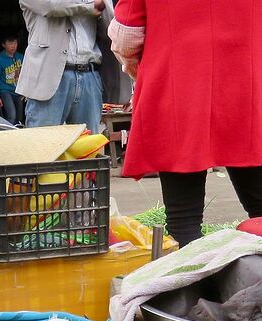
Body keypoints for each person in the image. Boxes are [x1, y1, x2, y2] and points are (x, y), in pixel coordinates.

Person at [109, 0, 262, 247]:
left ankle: (192, 283)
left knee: (184, 221)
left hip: (179, 83)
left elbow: (127, 35)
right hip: (249, 83)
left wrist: (136, 66)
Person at [17, 0, 113, 132]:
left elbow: (112, 20)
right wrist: (90, 5)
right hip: (47, 77)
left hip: (90, 74)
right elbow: (51, 5)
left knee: (88, 148)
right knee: (44, 147)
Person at [0, 35, 24, 125]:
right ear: (4, 45)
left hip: (19, 91)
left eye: (15, 43)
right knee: (11, 115)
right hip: (5, 91)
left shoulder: (21, 57)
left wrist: (25, 91)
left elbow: (26, 74)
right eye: (10, 44)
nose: (13, 46)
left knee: (20, 117)